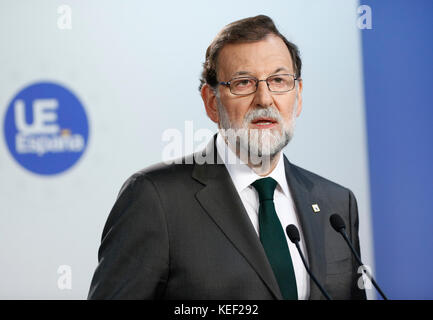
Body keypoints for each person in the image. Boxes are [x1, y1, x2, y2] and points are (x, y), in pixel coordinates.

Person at [88, 15, 366, 300]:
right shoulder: (154, 198)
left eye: (279, 80)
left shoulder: (337, 204)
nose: (265, 99)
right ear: (211, 102)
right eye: (243, 82)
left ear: (299, 95)